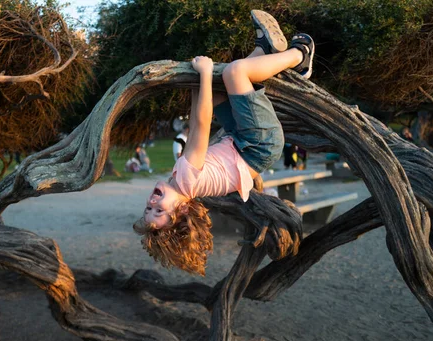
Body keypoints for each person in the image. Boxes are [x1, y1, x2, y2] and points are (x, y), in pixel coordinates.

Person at [133, 10, 314, 275]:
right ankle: (300, 57)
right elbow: (202, 124)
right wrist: (204, 75)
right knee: (235, 72)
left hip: (240, 140)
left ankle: (264, 51)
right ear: (181, 210)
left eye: (148, 207)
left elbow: (196, 122)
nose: (152, 201)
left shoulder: (183, 183)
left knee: (218, 92)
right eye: (158, 210)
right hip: (258, 145)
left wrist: (197, 85)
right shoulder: (186, 179)